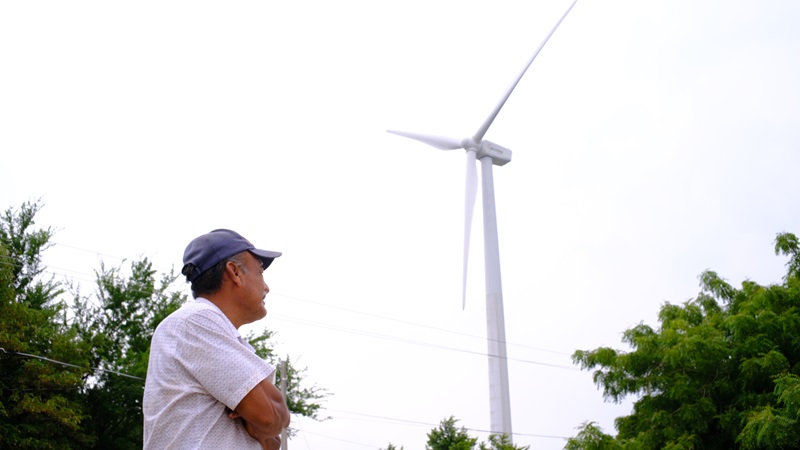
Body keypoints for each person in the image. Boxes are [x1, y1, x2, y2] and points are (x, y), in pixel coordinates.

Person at [143, 229, 290, 450]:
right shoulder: (196, 322)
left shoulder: (214, 331)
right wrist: (256, 419)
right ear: (235, 272)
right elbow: (271, 416)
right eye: (260, 272)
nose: (266, 287)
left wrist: (255, 417)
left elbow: (273, 439)